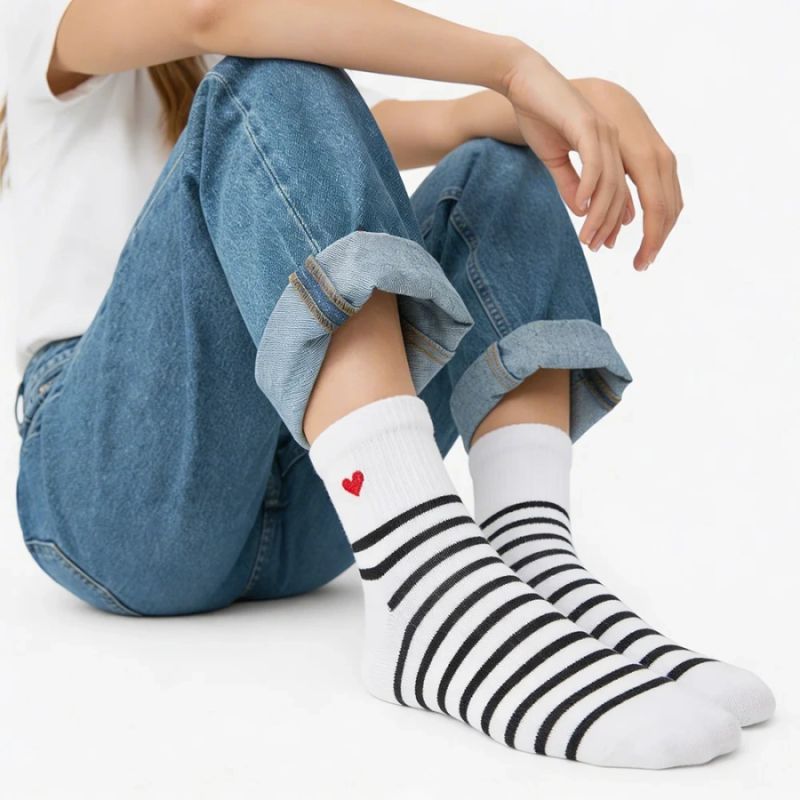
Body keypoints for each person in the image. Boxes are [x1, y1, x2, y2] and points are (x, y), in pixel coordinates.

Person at [4, 0, 773, 769]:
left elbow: (452, 120)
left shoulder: (263, 89)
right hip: (119, 503)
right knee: (270, 75)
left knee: (499, 158)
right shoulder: (41, 20)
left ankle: (532, 563)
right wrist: (513, 63)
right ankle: (428, 593)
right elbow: (219, 15)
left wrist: (581, 102)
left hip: (324, 496)